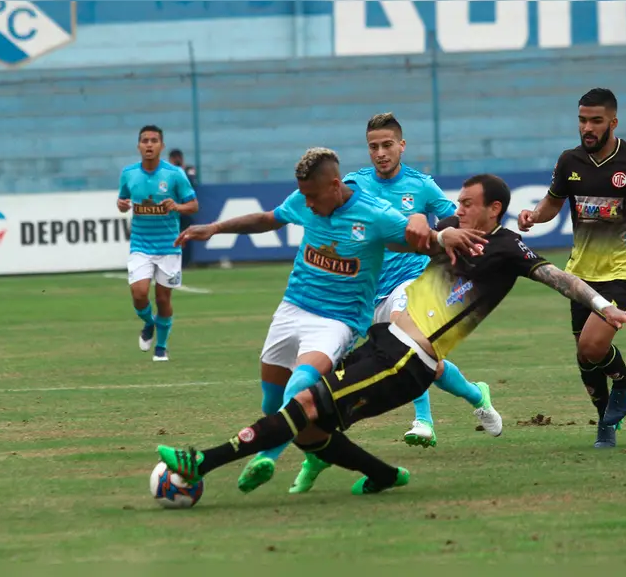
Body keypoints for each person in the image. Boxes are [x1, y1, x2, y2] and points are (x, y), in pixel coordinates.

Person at [155, 174, 626, 495]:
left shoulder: (507, 248)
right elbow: (417, 226)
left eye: (468, 204)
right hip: (384, 342)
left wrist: (603, 306)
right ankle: (384, 474)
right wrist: (421, 221)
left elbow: (558, 277)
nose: (458, 209)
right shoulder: (452, 231)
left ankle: (201, 461)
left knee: (302, 406)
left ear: (494, 209)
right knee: (310, 428)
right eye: (458, 203)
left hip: (407, 359)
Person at [174, 147, 484, 494]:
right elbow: (268, 219)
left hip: (339, 321)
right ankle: (335, 458)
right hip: (292, 309)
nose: (306, 203)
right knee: (272, 405)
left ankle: (266, 457)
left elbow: (422, 242)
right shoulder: (303, 199)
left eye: (312, 196)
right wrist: (214, 228)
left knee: (301, 388)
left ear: (335, 185)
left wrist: (430, 228)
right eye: (303, 195)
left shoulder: (375, 214)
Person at [284, 113, 503, 494]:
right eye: (374, 146)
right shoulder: (353, 184)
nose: (381, 153)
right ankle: (475, 394)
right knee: (336, 377)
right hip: (362, 294)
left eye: (388, 145)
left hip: (409, 284)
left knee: (407, 350)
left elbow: (454, 225)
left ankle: (423, 421)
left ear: (402, 145)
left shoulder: (421, 185)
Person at [518, 88, 626, 448]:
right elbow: (552, 204)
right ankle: (604, 422)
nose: (587, 128)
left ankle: (623, 381)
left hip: (623, 270)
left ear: (613, 122)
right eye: (582, 120)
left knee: (593, 347)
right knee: (584, 356)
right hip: (579, 272)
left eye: (595, 121)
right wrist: (533, 216)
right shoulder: (569, 161)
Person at [117, 125, 198, 362]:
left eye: (154, 140)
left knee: (163, 300)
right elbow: (122, 200)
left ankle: (161, 347)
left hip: (168, 246)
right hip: (141, 245)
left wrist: (178, 207)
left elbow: (193, 206)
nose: (149, 144)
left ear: (161, 146)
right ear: (139, 146)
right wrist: (121, 205)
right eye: (145, 140)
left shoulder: (174, 174)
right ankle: (149, 323)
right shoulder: (129, 173)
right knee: (139, 293)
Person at [168, 149, 199, 267]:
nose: (176, 160)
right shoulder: (166, 172)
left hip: (186, 209)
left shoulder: (188, 170)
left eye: (178, 157)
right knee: (172, 237)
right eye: (174, 158)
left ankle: (186, 262)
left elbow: (191, 182)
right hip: (171, 211)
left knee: (187, 236)